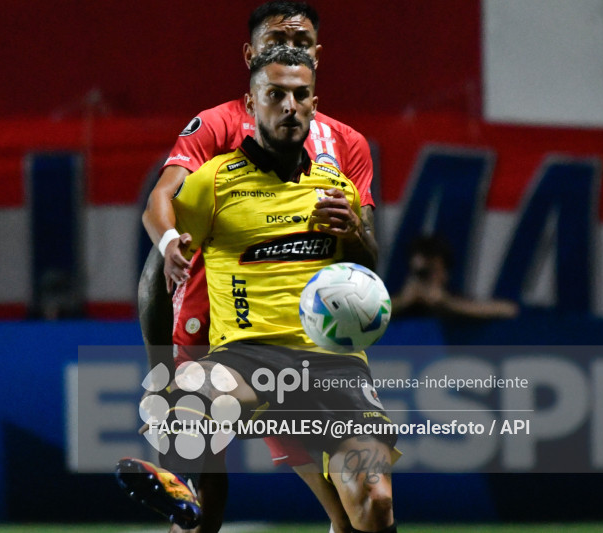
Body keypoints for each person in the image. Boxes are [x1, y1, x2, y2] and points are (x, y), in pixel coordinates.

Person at [124, 3, 378, 533]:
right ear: (251, 58)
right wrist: (170, 244)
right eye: (274, 40)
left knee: (356, 504)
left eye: (301, 40)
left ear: (316, 60)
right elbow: (162, 213)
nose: (289, 49)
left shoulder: (344, 145)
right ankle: (181, 471)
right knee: (205, 483)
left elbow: (367, 257)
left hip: (313, 335)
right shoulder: (218, 128)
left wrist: (352, 233)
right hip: (222, 315)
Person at [391, 235, 519, 319]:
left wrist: (447, 303)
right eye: (420, 273)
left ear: (445, 273)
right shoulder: (399, 306)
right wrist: (401, 302)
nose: (426, 278)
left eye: (432, 271)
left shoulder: (455, 299)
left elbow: (508, 310)